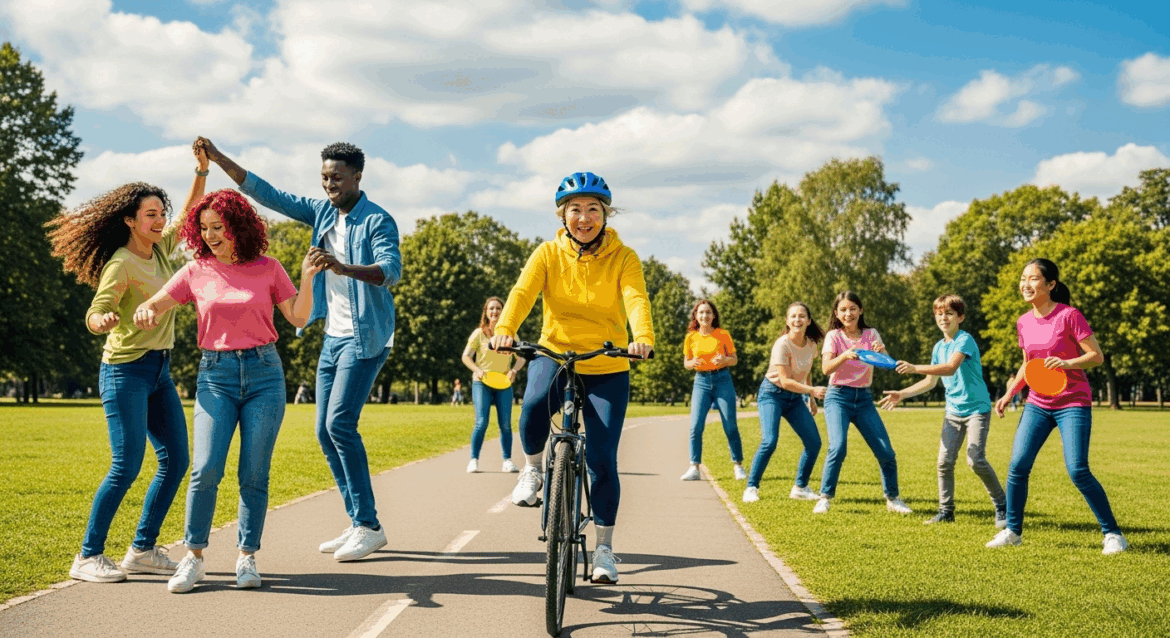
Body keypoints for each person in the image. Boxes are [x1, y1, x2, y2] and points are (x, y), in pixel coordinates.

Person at [198, 138, 401, 563]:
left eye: (337, 177)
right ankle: (359, 522)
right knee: (324, 432)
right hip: (333, 335)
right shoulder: (322, 211)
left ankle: (369, 525)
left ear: (357, 177)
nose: (329, 184)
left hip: (366, 336)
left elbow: (389, 271)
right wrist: (217, 159)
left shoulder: (377, 220)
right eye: (324, 177)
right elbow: (268, 194)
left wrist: (342, 267)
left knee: (340, 424)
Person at [135, 189, 320, 592]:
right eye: (204, 228)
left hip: (264, 375)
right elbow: (154, 304)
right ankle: (194, 557)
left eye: (218, 226)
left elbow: (298, 316)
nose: (211, 235)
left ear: (238, 225)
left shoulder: (269, 268)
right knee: (205, 469)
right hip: (215, 376)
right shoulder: (196, 271)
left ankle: (246, 557)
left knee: (253, 472)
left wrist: (308, 276)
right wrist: (146, 310)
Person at [47, 144, 207, 583]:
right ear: (130, 221)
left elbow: (188, 213)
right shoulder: (121, 263)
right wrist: (101, 320)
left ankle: (142, 550)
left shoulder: (160, 249)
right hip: (124, 372)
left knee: (176, 461)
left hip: (159, 372)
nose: (159, 220)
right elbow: (96, 311)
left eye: (161, 214)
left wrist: (201, 172)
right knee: (127, 464)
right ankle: (87, 556)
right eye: (150, 215)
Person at [490, 171, 654, 584]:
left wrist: (643, 338)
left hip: (607, 362)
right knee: (533, 404)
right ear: (562, 216)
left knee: (601, 458)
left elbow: (635, 298)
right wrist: (505, 329)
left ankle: (604, 549)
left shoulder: (624, 257)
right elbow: (522, 293)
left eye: (593, 209)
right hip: (556, 353)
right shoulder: (547, 253)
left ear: (605, 215)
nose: (584, 218)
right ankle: (533, 468)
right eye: (575, 210)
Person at [985, 259, 1127, 554]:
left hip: (1072, 402)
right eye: (1023, 278)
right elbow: (1028, 364)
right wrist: (1010, 393)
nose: (1025, 284)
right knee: (1017, 466)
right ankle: (1013, 531)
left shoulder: (1069, 316)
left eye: (1033, 279)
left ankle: (1113, 534)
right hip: (1037, 403)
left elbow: (1096, 356)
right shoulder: (1023, 322)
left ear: (1050, 285)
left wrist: (1066, 363)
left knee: (1077, 470)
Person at [880, 295, 1006, 527]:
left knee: (975, 460)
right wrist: (902, 394)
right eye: (939, 314)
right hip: (953, 412)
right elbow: (930, 382)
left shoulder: (964, 340)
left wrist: (914, 367)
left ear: (960, 317)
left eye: (949, 313)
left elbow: (949, 368)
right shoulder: (939, 347)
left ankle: (1002, 505)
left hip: (976, 410)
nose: (943, 318)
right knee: (944, 462)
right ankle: (946, 511)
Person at [815, 291, 911, 515]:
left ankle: (893, 499)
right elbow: (826, 369)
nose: (848, 314)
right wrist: (844, 356)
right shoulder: (833, 336)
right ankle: (824, 498)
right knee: (838, 447)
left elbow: (888, 364)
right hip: (838, 397)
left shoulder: (871, 334)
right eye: (843, 310)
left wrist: (882, 351)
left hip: (864, 399)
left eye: (853, 309)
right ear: (836, 313)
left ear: (861, 311)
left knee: (885, 451)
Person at [744, 302, 826, 503]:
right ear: (787, 321)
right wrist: (811, 391)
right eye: (793, 316)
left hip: (795, 398)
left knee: (814, 442)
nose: (797, 319)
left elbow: (807, 372)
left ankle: (800, 487)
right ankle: (751, 487)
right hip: (772, 394)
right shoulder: (782, 344)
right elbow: (785, 380)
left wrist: (811, 400)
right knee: (769, 441)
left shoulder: (812, 345)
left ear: (808, 321)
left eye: (802, 316)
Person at [680, 299, 746, 481]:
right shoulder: (690, 337)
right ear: (696, 316)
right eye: (701, 312)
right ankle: (694, 467)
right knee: (695, 426)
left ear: (714, 315)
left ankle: (738, 465)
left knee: (730, 424)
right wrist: (692, 363)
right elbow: (686, 363)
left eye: (708, 312)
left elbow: (734, 359)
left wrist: (724, 360)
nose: (705, 315)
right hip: (701, 382)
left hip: (722, 380)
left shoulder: (723, 334)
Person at [461, 296, 526, 473]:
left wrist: (514, 371)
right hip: (482, 382)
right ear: (486, 312)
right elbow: (466, 356)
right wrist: (476, 370)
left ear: (503, 312)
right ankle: (473, 460)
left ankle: (507, 461)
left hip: (504, 383)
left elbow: (521, 357)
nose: (494, 311)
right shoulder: (478, 334)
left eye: (498, 308)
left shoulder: (510, 335)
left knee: (505, 424)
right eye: (491, 308)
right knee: (481, 422)